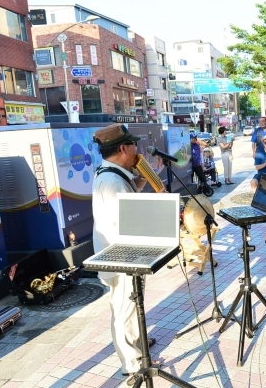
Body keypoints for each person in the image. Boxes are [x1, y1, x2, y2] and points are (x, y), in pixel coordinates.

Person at [92, 124, 156, 385]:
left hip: (126, 253)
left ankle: (139, 344)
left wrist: (147, 174)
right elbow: (130, 219)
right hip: (122, 257)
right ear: (122, 148)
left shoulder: (116, 175)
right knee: (124, 309)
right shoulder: (111, 181)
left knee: (131, 305)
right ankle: (131, 364)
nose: (136, 150)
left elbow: (132, 195)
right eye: (133, 146)